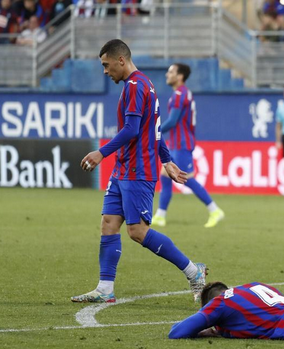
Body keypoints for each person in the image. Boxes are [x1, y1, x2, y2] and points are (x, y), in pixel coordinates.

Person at [72, 40, 208, 304]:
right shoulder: (141, 84)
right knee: (108, 224)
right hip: (123, 168)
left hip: (138, 169)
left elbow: (133, 130)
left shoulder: (136, 86)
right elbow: (153, 129)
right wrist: (167, 159)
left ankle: (194, 271)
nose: (105, 71)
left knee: (137, 232)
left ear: (120, 60)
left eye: (106, 64)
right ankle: (105, 288)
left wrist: (101, 152)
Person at [151, 63, 225, 228]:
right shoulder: (182, 93)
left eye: (170, 72)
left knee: (186, 179)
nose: (167, 75)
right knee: (165, 175)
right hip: (177, 143)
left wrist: (153, 131)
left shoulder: (179, 94)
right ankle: (160, 215)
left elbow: (172, 121)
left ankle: (215, 210)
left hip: (181, 143)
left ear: (180, 76)